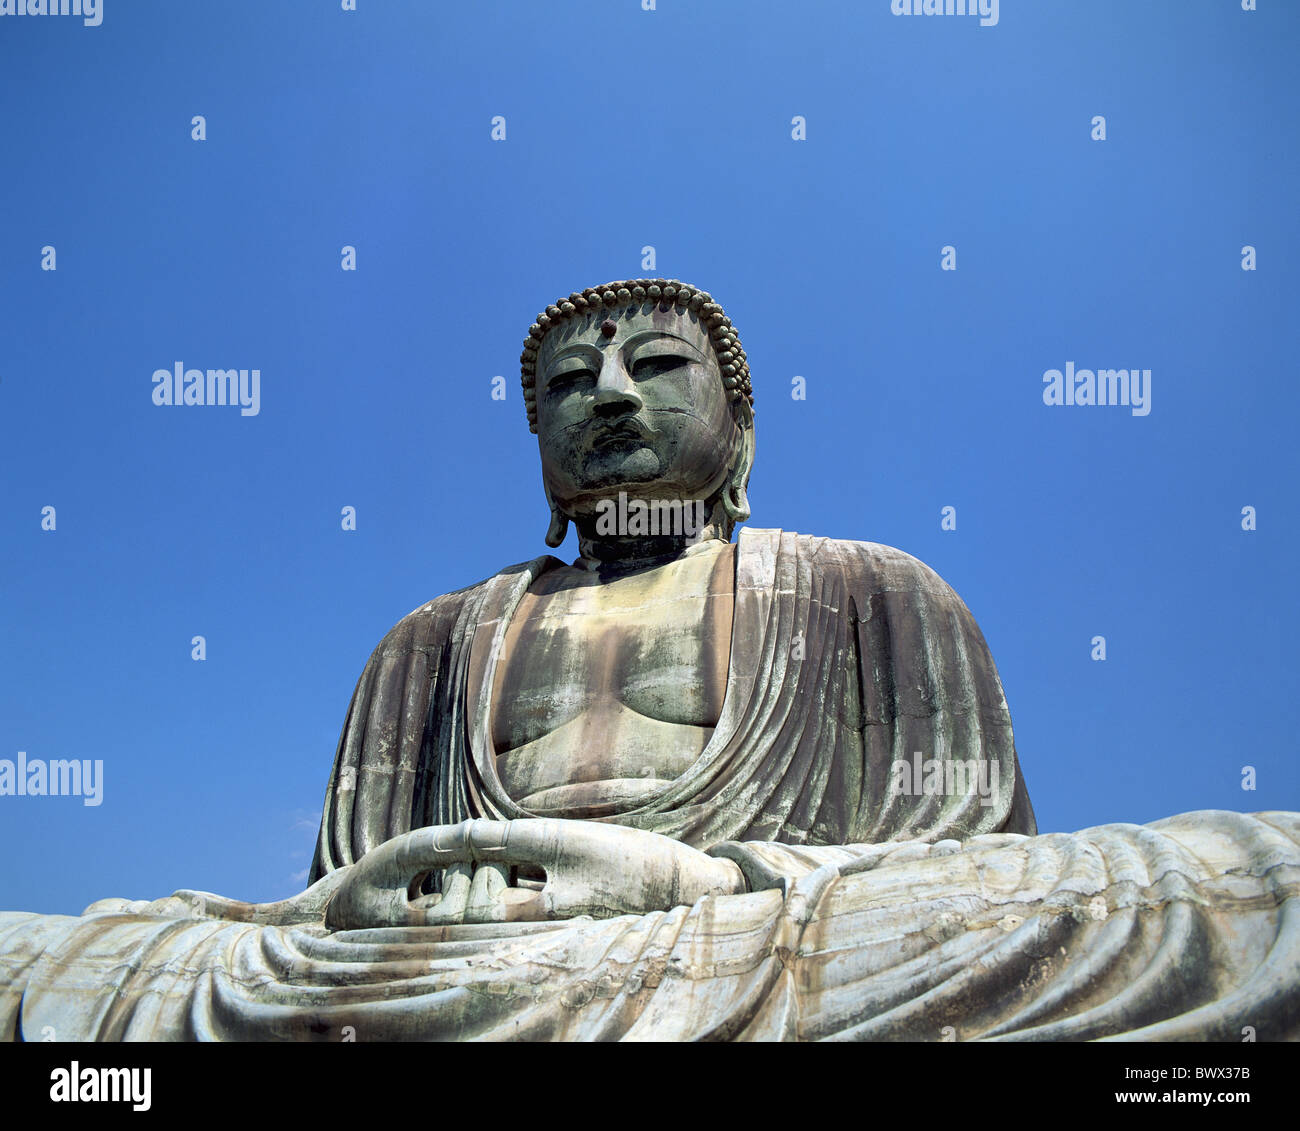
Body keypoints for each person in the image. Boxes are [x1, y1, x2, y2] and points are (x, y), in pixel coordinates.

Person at [2, 281, 1295, 1041]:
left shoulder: (871, 590)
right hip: (438, 970)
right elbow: (331, 903)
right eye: (570, 385)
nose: (611, 394)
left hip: (755, 943)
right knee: (64, 965)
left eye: (657, 365)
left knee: (1232, 881)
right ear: (539, 444)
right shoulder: (429, 642)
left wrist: (696, 879)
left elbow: (965, 868)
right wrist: (394, 899)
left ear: (741, 428)